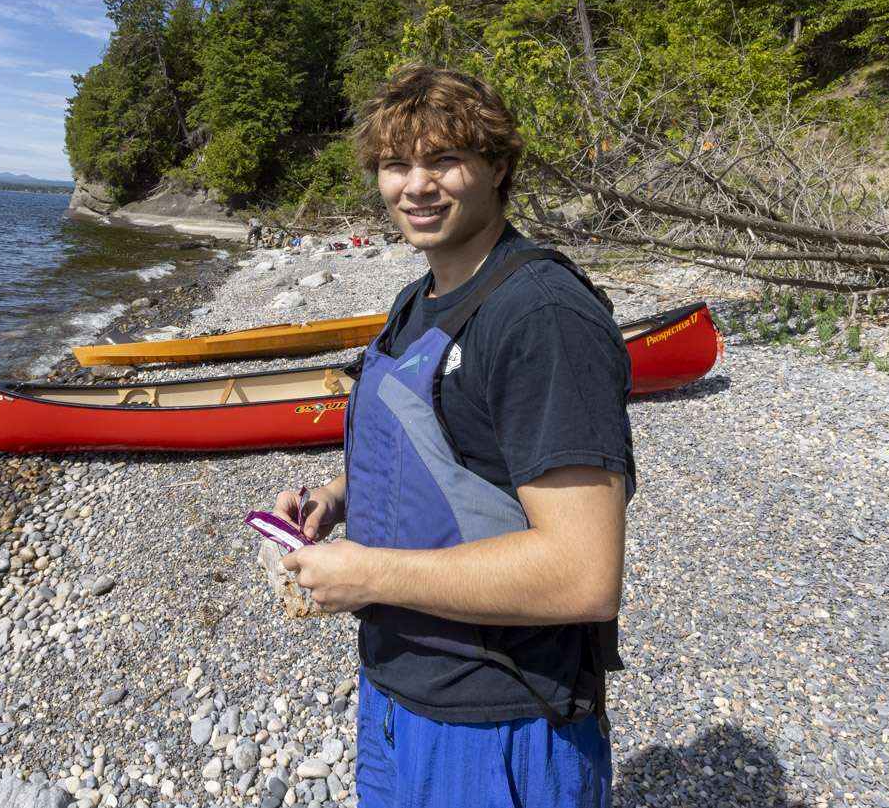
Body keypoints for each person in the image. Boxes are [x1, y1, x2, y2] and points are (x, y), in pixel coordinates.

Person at [268, 66, 633, 808]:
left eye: (445, 160)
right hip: (396, 689)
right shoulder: (419, 300)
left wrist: (366, 575)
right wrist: (336, 499)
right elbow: (444, 442)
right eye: (397, 164)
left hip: (501, 719)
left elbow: (583, 571)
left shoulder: (540, 319)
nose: (417, 185)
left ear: (498, 166)